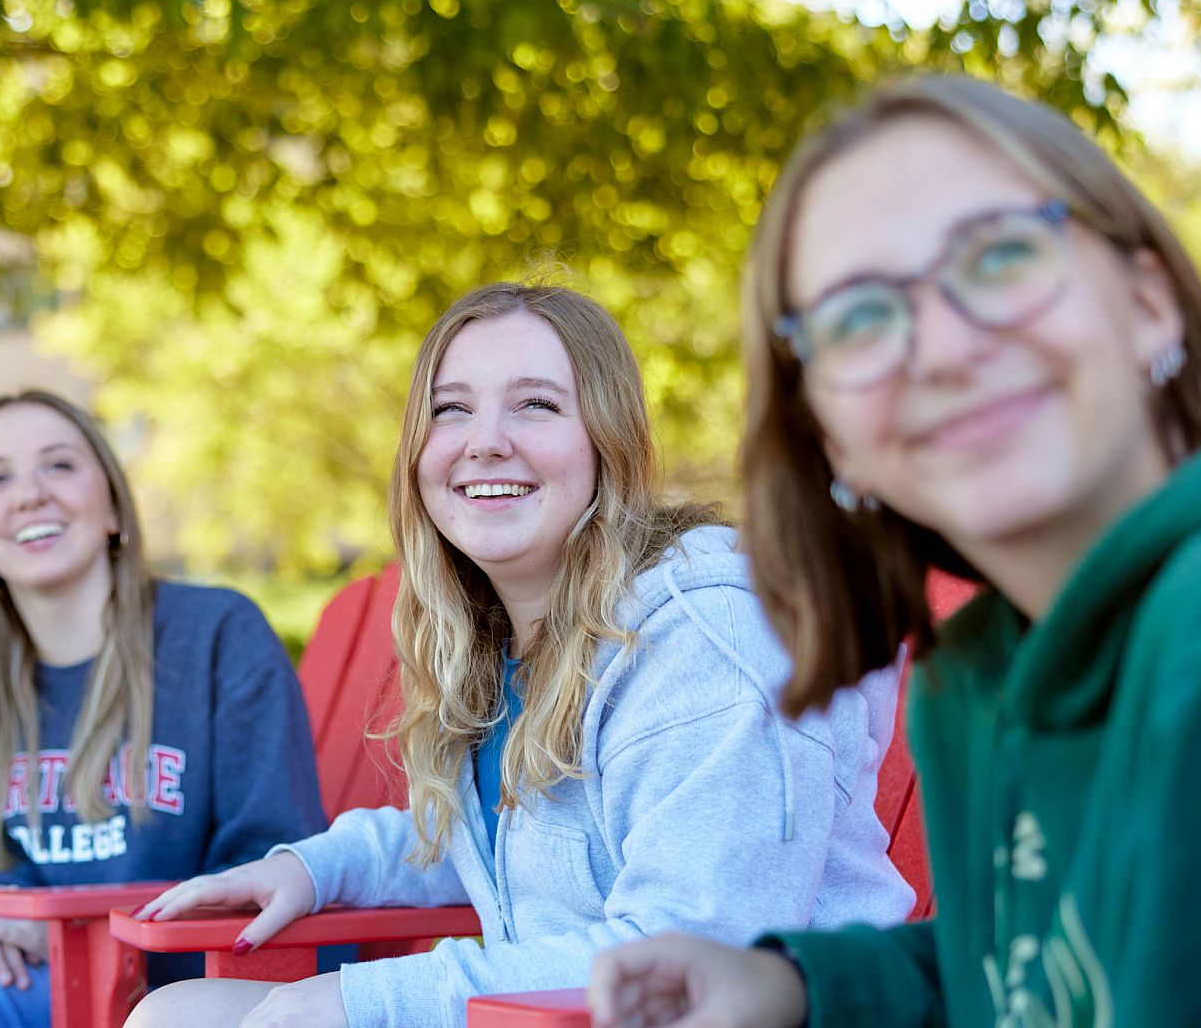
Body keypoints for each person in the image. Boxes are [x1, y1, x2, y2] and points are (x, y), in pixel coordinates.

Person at [588, 74, 1201, 1028]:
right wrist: (802, 987)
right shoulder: (975, 680)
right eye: (858, 317)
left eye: (999, 258)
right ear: (831, 439)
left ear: (1148, 302)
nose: (940, 348)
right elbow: (1063, 966)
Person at [124, 283, 914, 1028]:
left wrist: (361, 999)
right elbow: (501, 847)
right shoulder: (511, 642)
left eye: (536, 405)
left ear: (608, 440)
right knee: (175, 1014)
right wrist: (317, 869)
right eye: (450, 410)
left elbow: (693, 956)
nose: (485, 442)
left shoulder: (707, 638)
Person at [0, 390, 327, 1028]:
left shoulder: (216, 635)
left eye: (59, 465)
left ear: (114, 506)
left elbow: (266, 856)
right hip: (39, 963)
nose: (29, 494)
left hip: (176, 978)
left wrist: (63, 926)